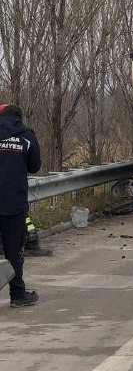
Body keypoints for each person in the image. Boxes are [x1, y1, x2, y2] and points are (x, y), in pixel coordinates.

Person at [0, 104, 42, 307]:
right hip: (14, 203)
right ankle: (17, 295)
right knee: (14, 251)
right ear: (19, 118)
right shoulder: (27, 136)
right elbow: (35, 166)